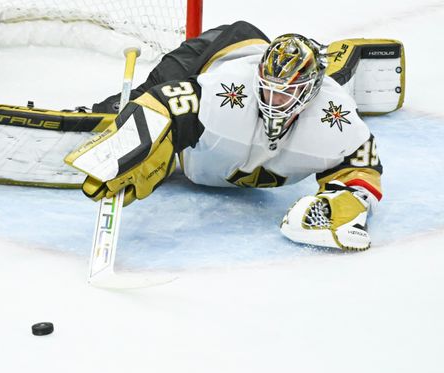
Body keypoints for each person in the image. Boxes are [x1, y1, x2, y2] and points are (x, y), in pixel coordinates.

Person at [68, 21, 386, 251]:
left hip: (283, 81)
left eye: (285, 94)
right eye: (268, 88)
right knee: (152, 87)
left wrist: (347, 201)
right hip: (220, 49)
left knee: (336, 79)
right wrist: (130, 145)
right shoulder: (229, 90)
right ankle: (100, 111)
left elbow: (361, 171)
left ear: (309, 93)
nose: (272, 100)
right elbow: (163, 103)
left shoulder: (334, 115)